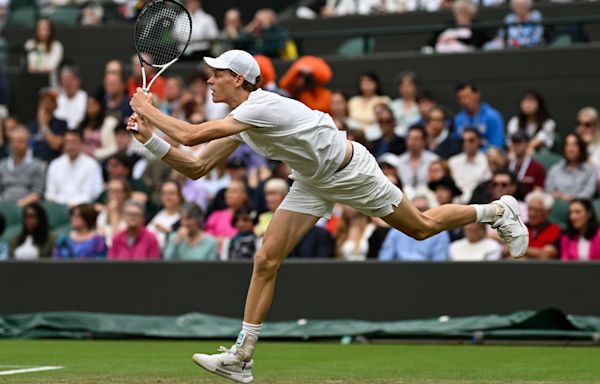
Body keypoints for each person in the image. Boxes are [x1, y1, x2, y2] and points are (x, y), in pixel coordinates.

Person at [128, 49, 527, 382]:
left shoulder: (262, 106)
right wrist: (148, 137)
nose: (209, 81)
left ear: (237, 78)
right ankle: (242, 357)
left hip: (350, 170)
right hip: (311, 180)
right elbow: (197, 166)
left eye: (215, 75)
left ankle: (496, 210)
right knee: (266, 259)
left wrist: (148, 107)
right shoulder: (241, 122)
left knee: (422, 227)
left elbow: (191, 135)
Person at [378, 196, 450, 261]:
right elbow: (385, 259)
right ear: (410, 212)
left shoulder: (440, 233)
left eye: (423, 209)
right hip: (398, 272)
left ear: (430, 210)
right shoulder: (396, 231)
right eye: (416, 210)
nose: (420, 213)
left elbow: (440, 264)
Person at [45, 129, 104, 206]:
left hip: (82, 208)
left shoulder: (91, 165)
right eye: (67, 142)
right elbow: (50, 193)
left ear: (81, 143)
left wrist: (72, 205)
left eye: (74, 142)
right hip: (58, 208)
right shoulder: (55, 164)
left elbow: (91, 195)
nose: (70, 146)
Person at [0, 125, 46, 206]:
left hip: (27, 207)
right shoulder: (2, 164)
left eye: (20, 141)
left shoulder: (37, 165)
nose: (16, 144)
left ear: (28, 143)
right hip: (3, 206)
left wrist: (17, 206)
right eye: (12, 141)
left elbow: (37, 194)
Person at [545, 133, 596, 201]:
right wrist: (558, 196)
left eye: (574, 145)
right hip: (558, 206)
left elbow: (588, 193)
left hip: (581, 207)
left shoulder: (590, 170)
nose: (571, 149)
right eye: (568, 145)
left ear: (580, 148)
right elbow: (548, 192)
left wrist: (571, 198)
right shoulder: (555, 169)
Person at [454, 82, 504, 149]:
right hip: (464, 156)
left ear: (477, 95)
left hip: (486, 156)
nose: (465, 102)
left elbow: (497, 144)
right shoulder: (458, 119)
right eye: (461, 98)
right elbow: (456, 143)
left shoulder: (492, 116)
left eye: (467, 97)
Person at [448, 127, 491, 203]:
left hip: (478, 203)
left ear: (479, 141)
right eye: (463, 140)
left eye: (471, 140)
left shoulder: (486, 161)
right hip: (454, 203)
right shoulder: (453, 161)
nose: (467, 143)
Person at [29, 88, 68, 162]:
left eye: (49, 100)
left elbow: (56, 145)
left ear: (55, 104)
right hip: (34, 164)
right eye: (42, 100)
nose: (45, 103)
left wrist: (43, 125)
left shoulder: (61, 123)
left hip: (52, 163)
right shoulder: (32, 125)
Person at [396, 124, 439, 190]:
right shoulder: (399, 161)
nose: (412, 142)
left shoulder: (434, 160)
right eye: (410, 139)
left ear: (424, 141)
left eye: (416, 139)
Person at [24, 18, 64, 87]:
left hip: (50, 83)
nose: (43, 33)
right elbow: (30, 65)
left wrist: (37, 69)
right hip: (31, 82)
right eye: (40, 30)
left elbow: (50, 67)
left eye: (46, 30)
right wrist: (34, 69)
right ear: (36, 30)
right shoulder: (29, 44)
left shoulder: (57, 46)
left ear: (51, 31)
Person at [523, 191, 560, 260]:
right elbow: (505, 250)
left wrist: (518, 250)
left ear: (548, 212)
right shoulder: (522, 227)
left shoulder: (554, 229)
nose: (532, 214)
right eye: (530, 209)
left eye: (536, 210)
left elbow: (547, 255)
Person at [147, 180, 183, 249]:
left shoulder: (184, 220)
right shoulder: (153, 212)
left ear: (179, 196)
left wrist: (169, 232)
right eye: (164, 193)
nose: (168, 197)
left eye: (172, 193)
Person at [96, 178, 130, 247]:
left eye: (117, 191)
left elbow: (117, 241)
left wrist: (114, 213)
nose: (114, 195)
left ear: (125, 194)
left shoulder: (131, 214)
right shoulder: (103, 215)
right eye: (111, 191)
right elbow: (99, 240)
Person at [54, 65, 88, 130]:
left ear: (78, 81)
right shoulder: (57, 99)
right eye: (65, 81)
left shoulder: (86, 98)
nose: (68, 84)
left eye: (70, 81)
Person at [390, 71, 420, 137]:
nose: (406, 88)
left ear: (415, 87)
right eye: (403, 85)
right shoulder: (393, 105)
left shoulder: (421, 104)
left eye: (409, 85)